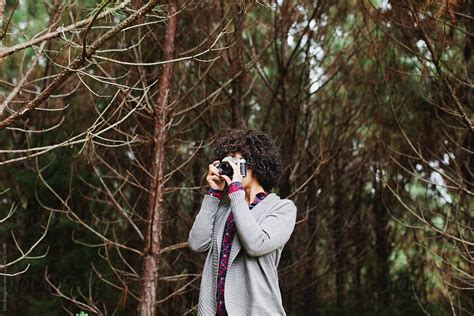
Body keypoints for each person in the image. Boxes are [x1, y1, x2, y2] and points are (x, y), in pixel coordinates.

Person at [187, 128, 297, 315]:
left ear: (256, 164)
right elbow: (197, 244)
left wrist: (236, 190)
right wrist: (214, 194)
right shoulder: (223, 210)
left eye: (237, 162)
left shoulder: (282, 208)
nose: (232, 169)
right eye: (227, 163)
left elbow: (256, 244)